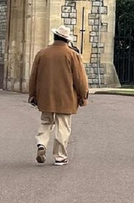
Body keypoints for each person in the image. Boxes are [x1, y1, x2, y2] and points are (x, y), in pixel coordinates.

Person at [28, 25, 89, 166]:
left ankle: (41, 143)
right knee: (63, 126)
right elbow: (80, 79)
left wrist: (33, 94)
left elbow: (33, 76)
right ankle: (60, 156)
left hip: (45, 95)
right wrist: (83, 95)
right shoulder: (72, 55)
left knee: (45, 121)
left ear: (54, 37)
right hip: (66, 96)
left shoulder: (42, 53)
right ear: (67, 40)